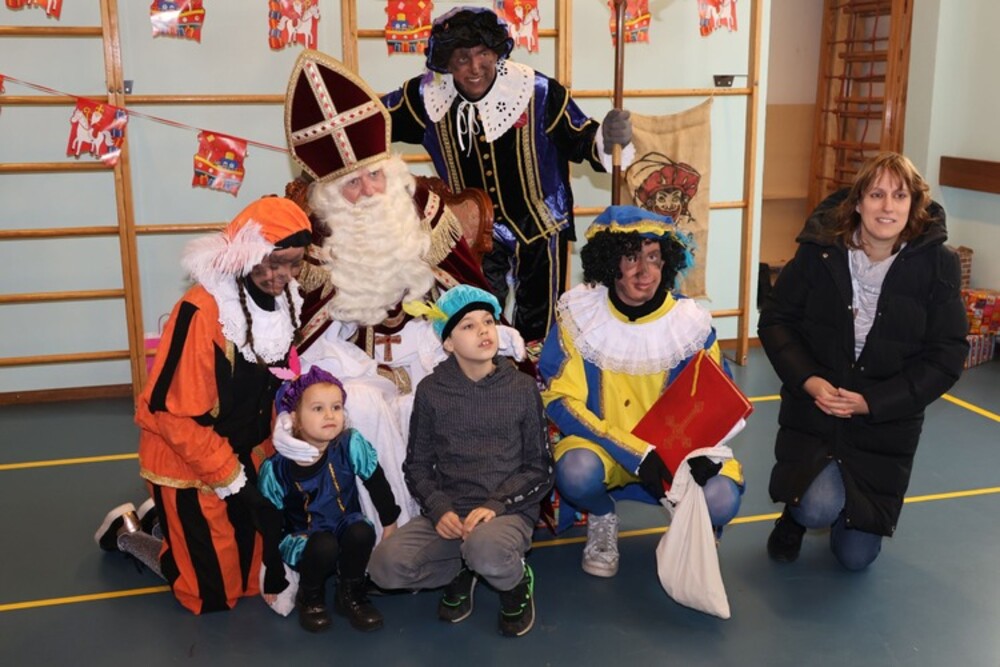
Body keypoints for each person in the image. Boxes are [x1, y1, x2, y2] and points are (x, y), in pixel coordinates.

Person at [282, 49, 525, 535]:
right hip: (353, 363)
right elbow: (306, 325)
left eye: (375, 174)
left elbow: (464, 286)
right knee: (362, 408)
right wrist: (361, 368)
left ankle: (448, 523)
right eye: (353, 184)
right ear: (329, 193)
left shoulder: (423, 206)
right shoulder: (316, 232)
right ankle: (381, 532)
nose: (370, 191)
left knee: (440, 398)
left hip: (428, 350)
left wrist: (482, 333)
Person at [94, 196, 312, 614]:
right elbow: (174, 417)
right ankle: (128, 533)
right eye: (273, 263)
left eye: (294, 264)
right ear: (245, 254)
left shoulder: (284, 300)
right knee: (210, 595)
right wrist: (238, 484)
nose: (283, 276)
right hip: (188, 461)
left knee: (251, 582)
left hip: (246, 454)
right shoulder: (202, 311)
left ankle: (166, 521)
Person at [759, 152, 969, 570]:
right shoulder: (821, 251)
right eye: (876, 195)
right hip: (817, 410)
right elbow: (776, 320)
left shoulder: (938, 265)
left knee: (855, 558)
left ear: (914, 205)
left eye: (899, 195)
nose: (887, 207)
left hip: (883, 424)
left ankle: (844, 512)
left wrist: (873, 402)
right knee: (815, 508)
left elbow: (947, 354)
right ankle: (797, 514)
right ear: (857, 202)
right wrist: (809, 381)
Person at [382, 6, 634, 343]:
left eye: (483, 54)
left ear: (497, 52)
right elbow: (374, 117)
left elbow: (579, 139)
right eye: (462, 58)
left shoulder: (538, 91)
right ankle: (487, 374)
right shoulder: (427, 98)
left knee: (540, 322)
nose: (475, 68)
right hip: (472, 231)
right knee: (476, 317)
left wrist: (606, 137)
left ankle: (536, 373)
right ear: (447, 63)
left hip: (539, 223)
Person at [538, 205, 745, 578]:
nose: (644, 272)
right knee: (575, 472)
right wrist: (632, 452)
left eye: (653, 257)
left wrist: (699, 451)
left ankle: (691, 523)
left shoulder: (690, 323)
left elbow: (717, 398)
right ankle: (602, 515)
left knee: (720, 498)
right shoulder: (580, 315)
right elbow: (560, 400)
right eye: (632, 258)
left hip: (675, 452)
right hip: (603, 448)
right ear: (610, 262)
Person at [367, 285, 553, 638]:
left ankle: (514, 581)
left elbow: (539, 468)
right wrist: (439, 509)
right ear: (449, 343)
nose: (484, 331)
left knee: (486, 549)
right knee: (384, 567)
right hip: (452, 512)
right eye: (468, 325)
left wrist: (496, 505)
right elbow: (417, 466)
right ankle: (462, 569)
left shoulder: (522, 388)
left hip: (506, 511)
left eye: (488, 321)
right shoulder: (431, 391)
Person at [259, 366, 400, 633]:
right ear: (295, 419)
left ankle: (350, 592)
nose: (330, 415)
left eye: (336, 407)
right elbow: (270, 523)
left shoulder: (349, 444)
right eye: (318, 408)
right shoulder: (277, 468)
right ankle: (310, 596)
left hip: (343, 526)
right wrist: (274, 570)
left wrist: (390, 522)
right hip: (304, 537)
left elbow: (376, 481)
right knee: (323, 544)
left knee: (361, 530)